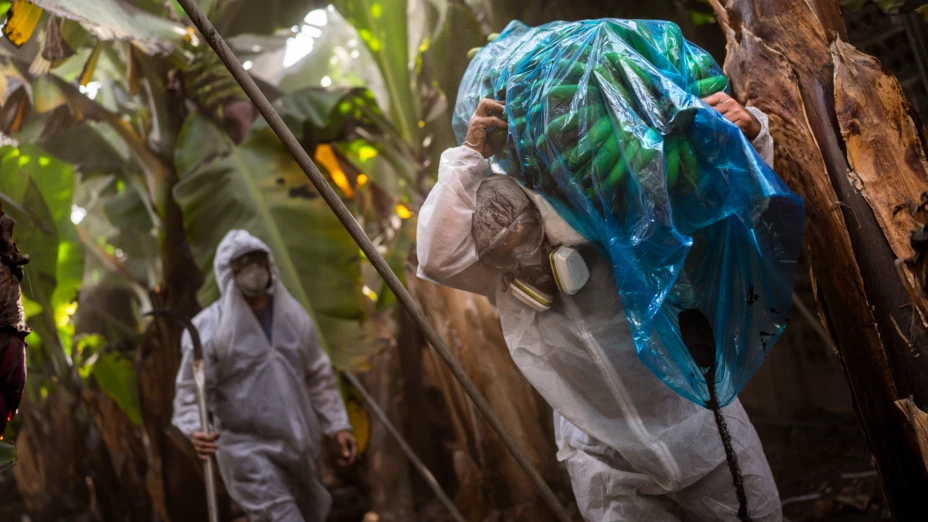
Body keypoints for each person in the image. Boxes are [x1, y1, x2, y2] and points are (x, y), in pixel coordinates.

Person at [416, 93, 782, 521]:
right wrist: (469, 157)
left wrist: (751, 133)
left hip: (702, 425)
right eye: (508, 249)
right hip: (602, 459)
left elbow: (733, 199)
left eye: (529, 237)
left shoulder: (629, 208)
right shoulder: (497, 262)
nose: (525, 255)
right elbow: (436, 256)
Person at [171, 229, 358, 522]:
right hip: (248, 451)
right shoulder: (209, 328)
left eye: (258, 260)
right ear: (228, 272)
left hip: (300, 445)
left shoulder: (293, 316)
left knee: (310, 514)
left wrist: (338, 426)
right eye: (243, 263)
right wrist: (196, 429)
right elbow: (189, 391)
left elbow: (317, 375)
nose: (254, 270)